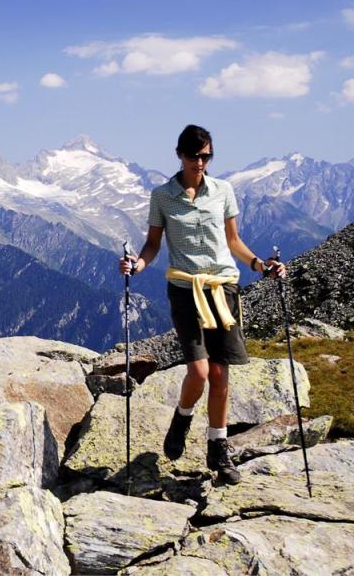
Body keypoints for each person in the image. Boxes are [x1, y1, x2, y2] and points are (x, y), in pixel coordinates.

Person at [119, 124, 285, 485]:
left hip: (222, 288)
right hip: (184, 287)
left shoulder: (223, 190)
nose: (200, 163)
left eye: (207, 156)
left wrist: (259, 266)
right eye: (194, 156)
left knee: (222, 374)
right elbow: (151, 245)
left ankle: (218, 448)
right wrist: (137, 264)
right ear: (179, 154)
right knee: (199, 372)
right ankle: (182, 417)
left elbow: (234, 240)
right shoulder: (162, 196)